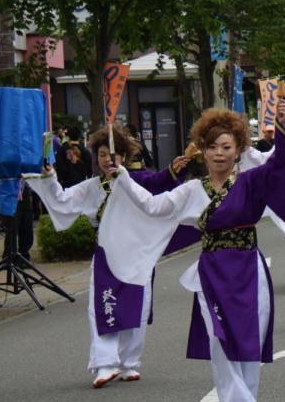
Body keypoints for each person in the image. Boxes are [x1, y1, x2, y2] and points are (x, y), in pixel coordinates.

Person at [106, 104, 285, 402]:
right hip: (212, 273)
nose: (219, 154)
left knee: (250, 336)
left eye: (226, 147)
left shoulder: (252, 182)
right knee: (220, 339)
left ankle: (243, 400)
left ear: (238, 151)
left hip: (249, 268)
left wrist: (284, 129)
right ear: (202, 151)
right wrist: (123, 178)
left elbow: (283, 164)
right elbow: (152, 206)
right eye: (212, 147)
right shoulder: (190, 191)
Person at [27, 126, 189, 388]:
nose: (107, 160)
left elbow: (160, 182)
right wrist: (50, 176)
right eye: (102, 154)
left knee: (138, 305)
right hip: (107, 252)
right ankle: (104, 363)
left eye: (112, 154)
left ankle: (128, 363)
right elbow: (63, 199)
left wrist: (173, 169)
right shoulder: (91, 187)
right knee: (102, 305)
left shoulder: (135, 180)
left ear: (122, 156)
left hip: (137, 254)